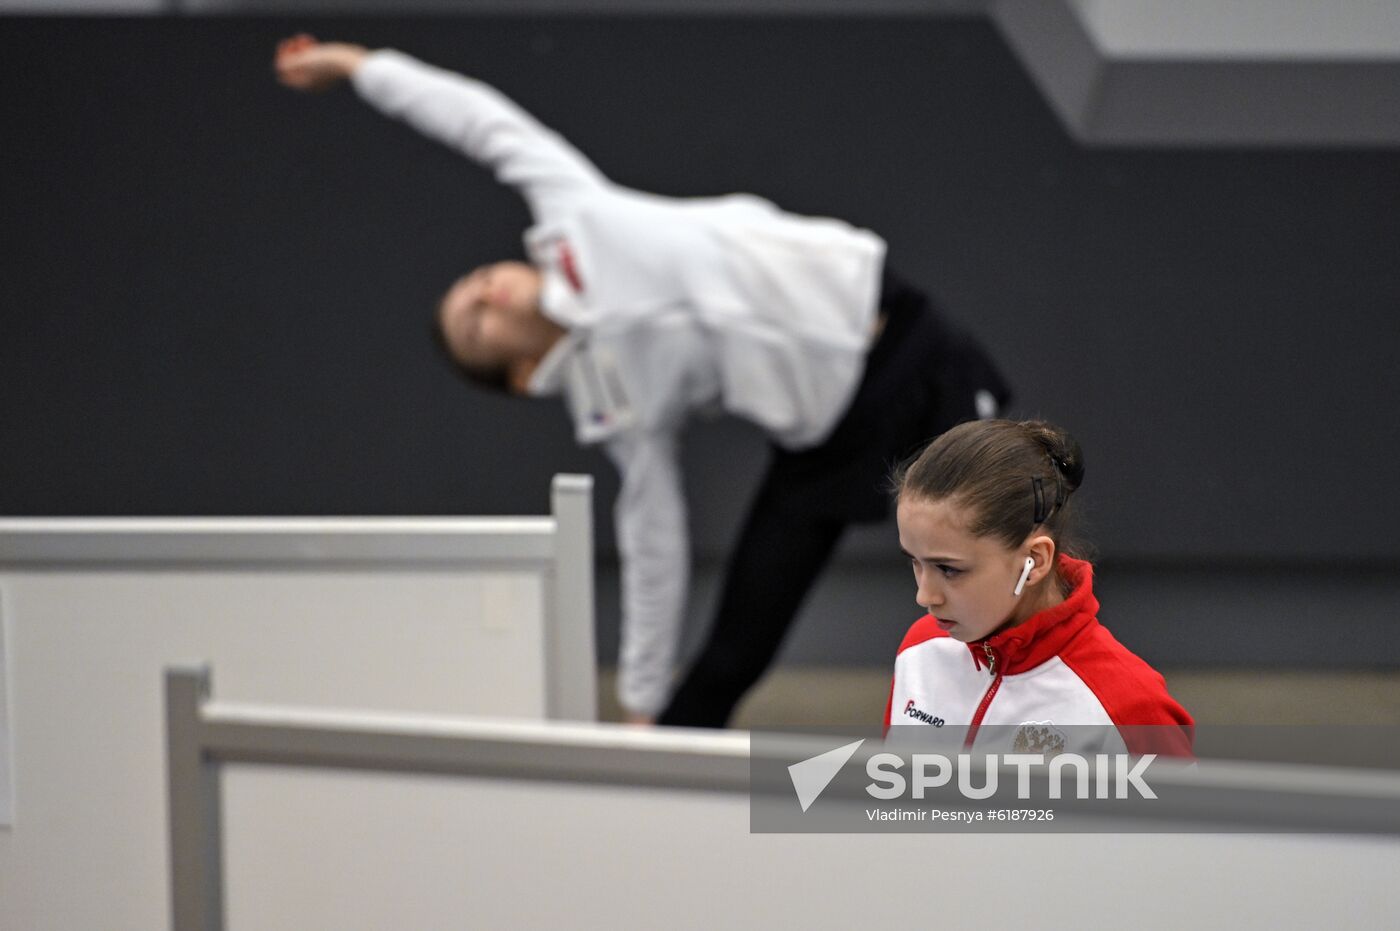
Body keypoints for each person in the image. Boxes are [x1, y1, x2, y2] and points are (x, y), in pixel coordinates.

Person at [275, 35, 1011, 727]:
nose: (489, 293)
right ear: (525, 373)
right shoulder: (612, 409)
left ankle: (1065, 714)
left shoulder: (571, 213)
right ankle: (660, 757)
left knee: (1007, 535)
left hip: (903, 339)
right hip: (830, 435)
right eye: (476, 324)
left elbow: (477, 119)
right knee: (732, 648)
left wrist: (355, 66)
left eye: (480, 281)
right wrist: (637, 701)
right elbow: (652, 538)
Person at [885, 419, 1193, 756]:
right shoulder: (920, 648)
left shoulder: (1129, 709)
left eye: (948, 569)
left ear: (1034, 560)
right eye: (915, 562)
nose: (924, 596)